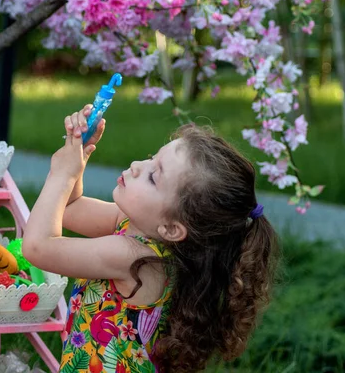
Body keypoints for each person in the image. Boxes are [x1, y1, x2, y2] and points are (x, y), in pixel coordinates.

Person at [24, 104, 279, 372]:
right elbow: (69, 209)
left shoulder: (132, 256)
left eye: (153, 177)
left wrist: (63, 174)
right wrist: (76, 161)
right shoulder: (137, 228)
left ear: (171, 228)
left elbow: (38, 247)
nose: (136, 166)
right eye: (150, 158)